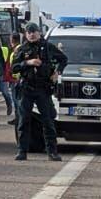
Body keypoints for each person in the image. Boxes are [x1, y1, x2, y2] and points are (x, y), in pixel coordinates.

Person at [12, 23, 68, 162]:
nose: (32, 34)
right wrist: (28, 63)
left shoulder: (48, 47)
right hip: (27, 88)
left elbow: (63, 59)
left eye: (34, 32)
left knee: (48, 121)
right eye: (29, 32)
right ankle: (22, 151)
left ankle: (52, 152)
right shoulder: (22, 49)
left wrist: (57, 72)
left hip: (43, 89)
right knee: (24, 121)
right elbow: (14, 68)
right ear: (25, 34)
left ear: (39, 33)